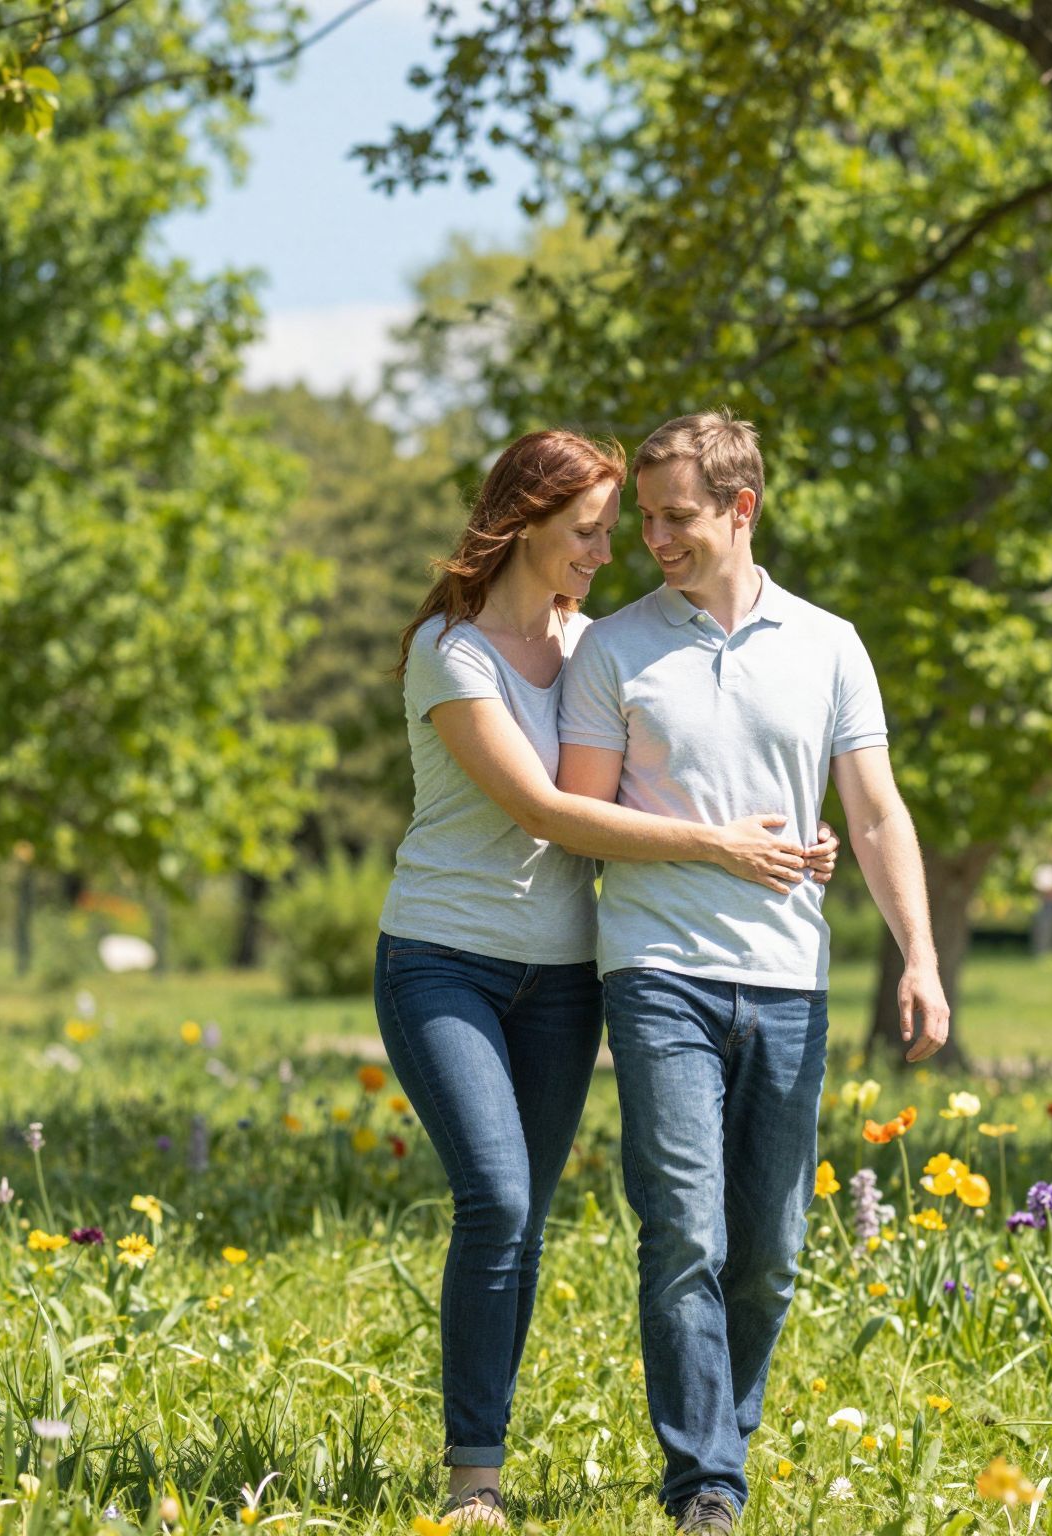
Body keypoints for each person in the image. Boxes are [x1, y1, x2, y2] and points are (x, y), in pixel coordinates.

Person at [373, 429, 839, 1528]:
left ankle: (672, 1456)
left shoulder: (596, 645)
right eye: (586, 532)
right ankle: (473, 1478)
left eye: (610, 530)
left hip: (566, 974)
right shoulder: (453, 651)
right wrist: (722, 846)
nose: (605, 550)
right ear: (524, 522)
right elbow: (541, 809)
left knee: (527, 1217)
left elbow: (662, 753)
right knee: (494, 1198)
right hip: (444, 960)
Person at [557, 410, 950, 1534]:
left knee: (770, 1253)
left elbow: (873, 812)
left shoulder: (828, 643)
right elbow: (583, 822)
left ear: (740, 508)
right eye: (642, 516)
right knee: (685, 1224)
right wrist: (721, 844)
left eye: (674, 515)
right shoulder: (613, 649)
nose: (652, 538)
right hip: (659, 970)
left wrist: (917, 955)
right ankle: (706, 1485)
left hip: (788, 980)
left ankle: (724, 1440)